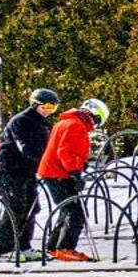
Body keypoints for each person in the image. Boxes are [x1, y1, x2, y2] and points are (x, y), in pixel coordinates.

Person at [0, 88, 58, 258]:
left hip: (28, 170)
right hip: (11, 169)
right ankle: (3, 249)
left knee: (32, 207)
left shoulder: (44, 123)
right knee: (15, 208)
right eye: (46, 106)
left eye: (53, 108)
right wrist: (44, 161)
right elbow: (26, 148)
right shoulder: (21, 121)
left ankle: (23, 246)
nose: (49, 111)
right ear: (35, 104)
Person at [39, 98, 107, 261]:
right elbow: (66, 152)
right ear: (94, 116)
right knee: (75, 212)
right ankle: (65, 248)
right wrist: (76, 173)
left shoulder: (68, 122)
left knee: (67, 209)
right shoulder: (75, 125)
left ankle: (54, 246)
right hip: (59, 173)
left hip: (55, 172)